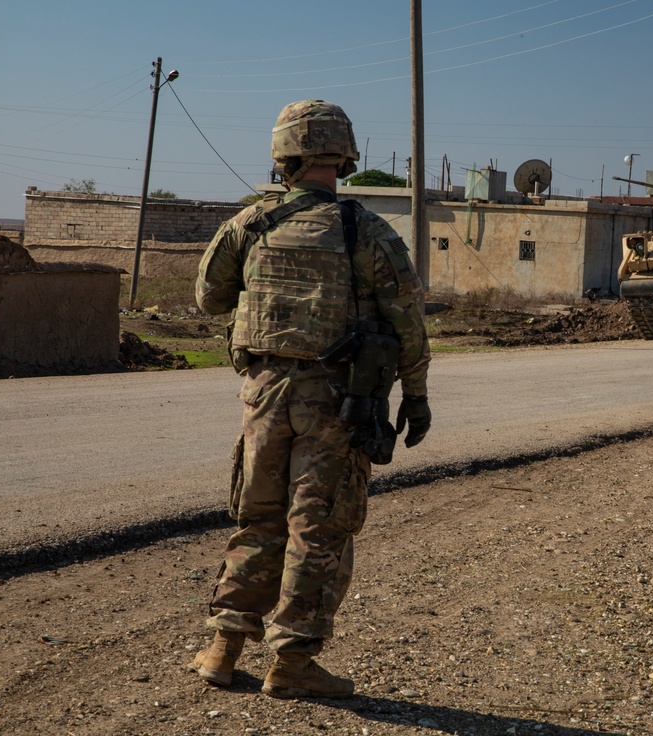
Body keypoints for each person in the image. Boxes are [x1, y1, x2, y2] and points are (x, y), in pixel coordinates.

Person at [191, 100, 431, 699]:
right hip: (338, 399)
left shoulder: (249, 223)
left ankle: (223, 648)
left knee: (258, 516)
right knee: (317, 528)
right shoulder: (367, 230)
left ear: (284, 155)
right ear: (344, 157)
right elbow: (408, 322)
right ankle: (292, 664)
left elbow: (209, 299)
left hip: (264, 394)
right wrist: (417, 395)